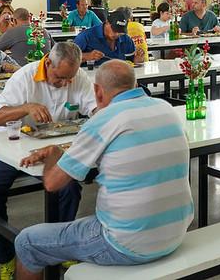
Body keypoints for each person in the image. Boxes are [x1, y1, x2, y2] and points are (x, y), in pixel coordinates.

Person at [13, 60, 193, 279]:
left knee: (27, 242)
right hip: (175, 232)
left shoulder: (104, 119)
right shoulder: (166, 108)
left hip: (126, 243)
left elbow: (53, 183)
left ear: (97, 91)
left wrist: (53, 154)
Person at [0, 42, 96, 275]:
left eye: (69, 79)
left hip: (55, 147)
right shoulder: (24, 76)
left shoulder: (77, 76)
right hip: (14, 146)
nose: (65, 84)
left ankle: (59, 247)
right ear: (48, 63)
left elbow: (95, 108)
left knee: (69, 188)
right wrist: (25, 108)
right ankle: (6, 256)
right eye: (60, 78)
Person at [74, 11, 144, 64]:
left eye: (120, 32)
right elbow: (68, 58)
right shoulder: (86, 36)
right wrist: (87, 56)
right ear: (107, 22)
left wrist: (137, 60)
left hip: (119, 78)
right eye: (114, 30)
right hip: (93, 79)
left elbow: (131, 60)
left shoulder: (125, 38)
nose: (116, 34)